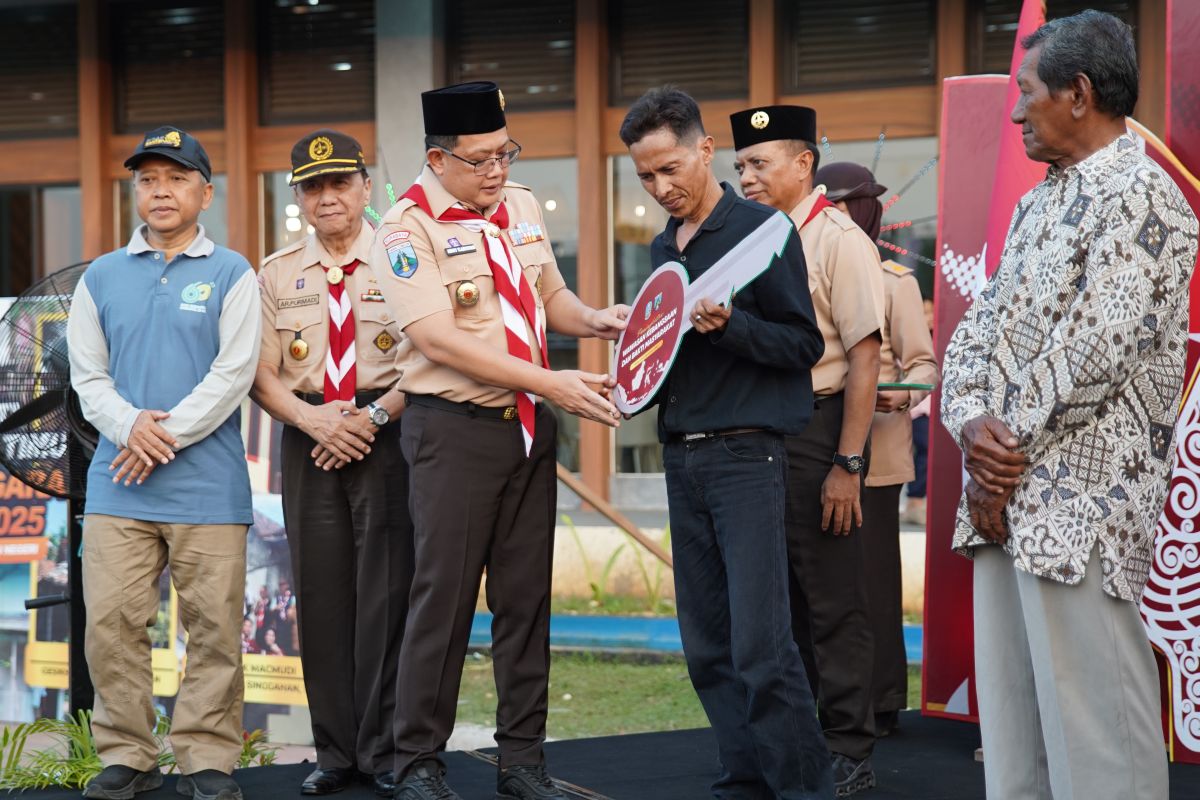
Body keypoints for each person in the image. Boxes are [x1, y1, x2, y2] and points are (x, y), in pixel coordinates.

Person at [941, 11, 1199, 799]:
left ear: (1079, 93)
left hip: (1081, 511)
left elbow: (1094, 352)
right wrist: (968, 424)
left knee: (1097, 744)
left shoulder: (1147, 197)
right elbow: (971, 337)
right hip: (1003, 505)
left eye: (1027, 93)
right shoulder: (1037, 204)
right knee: (1018, 744)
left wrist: (995, 459)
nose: (1015, 113)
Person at [372, 81, 630, 800]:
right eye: (481, 159)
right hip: (451, 431)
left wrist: (598, 320)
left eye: (505, 152)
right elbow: (436, 339)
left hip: (525, 429)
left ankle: (522, 761)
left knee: (526, 600)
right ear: (438, 158)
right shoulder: (405, 229)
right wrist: (551, 383)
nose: (497, 170)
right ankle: (417, 761)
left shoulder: (517, 206)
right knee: (443, 599)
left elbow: (549, 300)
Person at [621, 86, 832, 799]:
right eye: (646, 176)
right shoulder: (659, 247)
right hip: (682, 457)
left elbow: (803, 344)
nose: (661, 187)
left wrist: (730, 326)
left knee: (763, 649)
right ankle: (743, 780)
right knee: (708, 646)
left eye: (672, 167)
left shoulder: (763, 230)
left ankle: (803, 787)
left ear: (706, 150)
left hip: (747, 456)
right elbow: (660, 356)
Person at [67, 126, 260, 800]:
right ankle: (129, 755)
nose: (161, 191)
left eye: (176, 178)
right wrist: (130, 428)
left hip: (208, 488)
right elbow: (88, 379)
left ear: (205, 192)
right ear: (136, 192)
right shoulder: (101, 276)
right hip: (120, 487)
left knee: (212, 630)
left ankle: (207, 759)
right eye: (149, 179)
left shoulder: (232, 272)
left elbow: (233, 375)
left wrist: (161, 435)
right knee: (111, 626)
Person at [251, 129, 414, 797]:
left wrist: (371, 418)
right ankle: (334, 752)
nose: (327, 197)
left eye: (339, 182)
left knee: (386, 592)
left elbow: (430, 358)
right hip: (307, 430)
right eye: (313, 186)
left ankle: (383, 751)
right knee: (319, 595)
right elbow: (260, 374)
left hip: (389, 429)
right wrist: (314, 419)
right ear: (299, 197)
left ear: (365, 188)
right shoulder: (276, 271)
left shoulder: (405, 260)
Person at [730, 104, 885, 795]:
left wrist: (848, 464)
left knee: (833, 600)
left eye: (760, 163)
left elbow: (865, 357)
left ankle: (850, 747)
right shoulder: (753, 239)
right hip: (761, 435)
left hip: (820, 431)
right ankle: (797, 748)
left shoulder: (837, 240)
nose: (746, 177)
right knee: (778, 605)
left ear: (804, 163)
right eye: (739, 166)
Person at [817, 161, 939, 737]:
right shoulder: (803, 266)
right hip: (813, 445)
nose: (833, 216)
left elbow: (924, 365)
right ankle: (830, 701)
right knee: (820, 584)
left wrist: (895, 394)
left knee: (872, 582)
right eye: (827, 204)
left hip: (877, 456)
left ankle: (882, 700)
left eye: (842, 205)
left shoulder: (896, 281)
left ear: (863, 210)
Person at [903, 299, 935, 526]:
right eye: (924, 312)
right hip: (918, 407)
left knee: (926, 453)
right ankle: (914, 501)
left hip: (933, 408)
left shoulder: (941, 336)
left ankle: (918, 501)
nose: (929, 317)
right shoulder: (911, 338)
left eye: (931, 311)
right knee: (924, 450)